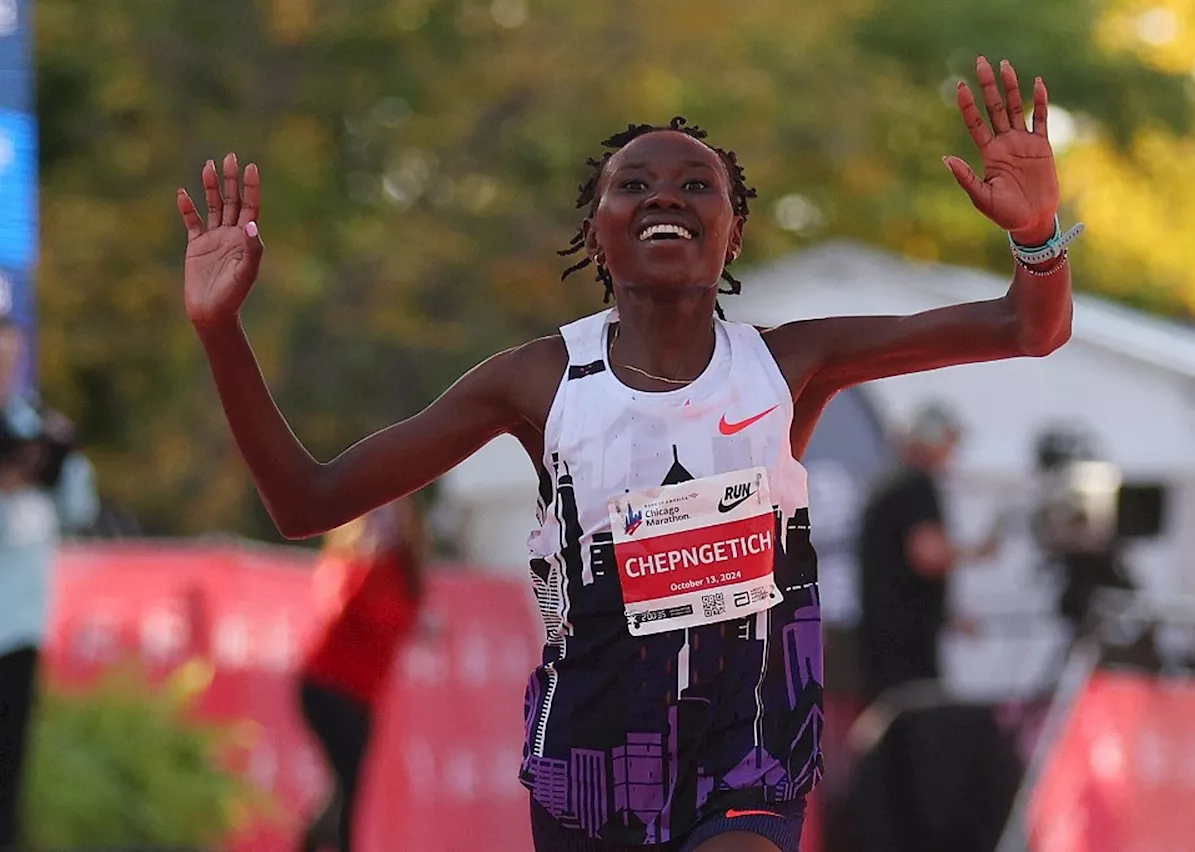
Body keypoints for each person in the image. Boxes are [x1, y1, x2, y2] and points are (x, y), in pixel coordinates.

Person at [176, 56, 1074, 852]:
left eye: (696, 185)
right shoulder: (535, 382)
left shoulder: (792, 364)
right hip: (594, 752)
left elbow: (1027, 328)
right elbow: (307, 501)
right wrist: (220, 332)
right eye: (633, 184)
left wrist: (1037, 238)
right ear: (595, 232)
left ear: (735, 232)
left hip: (749, 738)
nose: (666, 197)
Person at [0, 317, 99, 851]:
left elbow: (80, 507)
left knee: (10, 761)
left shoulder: (32, 423)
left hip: (17, 622)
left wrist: (55, 462)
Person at [296, 497, 429, 852]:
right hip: (329, 687)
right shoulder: (354, 563)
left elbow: (401, 617)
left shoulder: (405, 570)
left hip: (362, 696)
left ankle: (312, 842)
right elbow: (341, 607)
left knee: (345, 789)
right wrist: (363, 554)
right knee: (348, 787)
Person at [855, 402, 1001, 703]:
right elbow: (926, 555)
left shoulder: (890, 483)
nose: (952, 454)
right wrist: (979, 551)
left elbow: (896, 569)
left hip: (886, 637)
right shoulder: (915, 485)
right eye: (949, 442)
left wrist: (947, 615)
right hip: (905, 646)